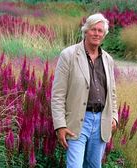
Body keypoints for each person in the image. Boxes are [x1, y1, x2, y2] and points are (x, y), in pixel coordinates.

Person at [51, 13, 118, 168]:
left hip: (102, 121)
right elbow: (58, 95)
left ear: (104, 34)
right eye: (93, 29)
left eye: (100, 31)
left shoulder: (108, 60)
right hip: (77, 121)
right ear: (85, 31)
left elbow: (112, 93)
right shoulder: (68, 55)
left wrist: (114, 116)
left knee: (94, 165)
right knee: (74, 165)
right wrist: (60, 125)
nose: (96, 33)